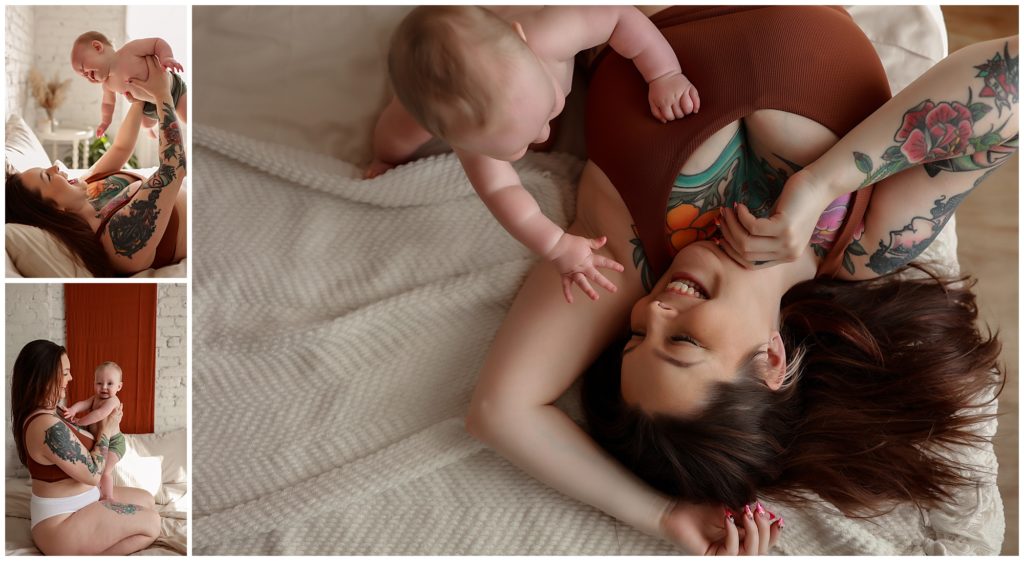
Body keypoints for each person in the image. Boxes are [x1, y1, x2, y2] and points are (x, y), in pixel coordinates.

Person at [465, 6, 1017, 555]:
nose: (653, 314)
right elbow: (1012, 73)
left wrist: (663, 515)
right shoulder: (867, 243)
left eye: (634, 340)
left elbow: (500, 411)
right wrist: (821, 183)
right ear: (772, 360)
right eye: (682, 342)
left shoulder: (621, 251)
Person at [370, 6, 701, 302]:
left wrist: (664, 74)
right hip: (451, 89)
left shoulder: (552, 32)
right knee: (396, 135)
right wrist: (556, 245)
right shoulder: (471, 143)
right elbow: (504, 192)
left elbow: (619, 17)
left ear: (523, 40)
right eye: (516, 149)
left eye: (551, 107)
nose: (544, 134)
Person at [6, 55, 188, 277]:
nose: (55, 168)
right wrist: (161, 95)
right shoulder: (118, 239)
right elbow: (174, 167)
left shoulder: (87, 188)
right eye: (47, 176)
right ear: (55, 210)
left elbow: (120, 148)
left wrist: (139, 95)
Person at [11, 340, 161, 555]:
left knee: (147, 499)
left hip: (86, 499)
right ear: (45, 376)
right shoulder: (45, 425)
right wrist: (107, 430)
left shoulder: (55, 412)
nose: (71, 378)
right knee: (153, 523)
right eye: (65, 372)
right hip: (61, 522)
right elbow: (92, 474)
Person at [70, 31, 188, 137]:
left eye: (83, 68)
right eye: (83, 76)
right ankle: (149, 129)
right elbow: (108, 103)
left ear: (97, 47)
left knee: (187, 117)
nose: (86, 75)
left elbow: (157, 43)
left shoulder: (130, 50)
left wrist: (166, 58)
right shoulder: (107, 84)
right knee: (144, 123)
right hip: (149, 106)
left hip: (173, 90)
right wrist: (105, 122)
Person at [63, 361, 127, 501]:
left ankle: (108, 497)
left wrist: (80, 421)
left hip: (114, 444)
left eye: (110, 384)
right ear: (94, 383)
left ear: (119, 386)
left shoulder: (113, 401)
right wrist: (73, 410)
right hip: (101, 442)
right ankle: (95, 494)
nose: (104, 387)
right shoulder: (95, 398)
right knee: (94, 469)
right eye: (99, 383)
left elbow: (99, 414)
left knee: (104, 471)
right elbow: (83, 404)